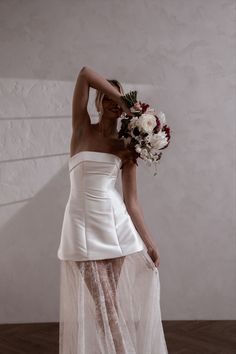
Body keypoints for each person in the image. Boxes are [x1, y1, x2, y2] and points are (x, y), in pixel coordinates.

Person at [57, 66, 169, 354]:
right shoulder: (80, 128)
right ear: (100, 100)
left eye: (116, 98)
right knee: (105, 304)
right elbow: (83, 74)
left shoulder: (126, 146)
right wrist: (125, 99)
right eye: (107, 95)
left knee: (108, 305)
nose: (111, 102)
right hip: (81, 225)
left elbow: (131, 201)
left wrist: (150, 243)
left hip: (116, 227)